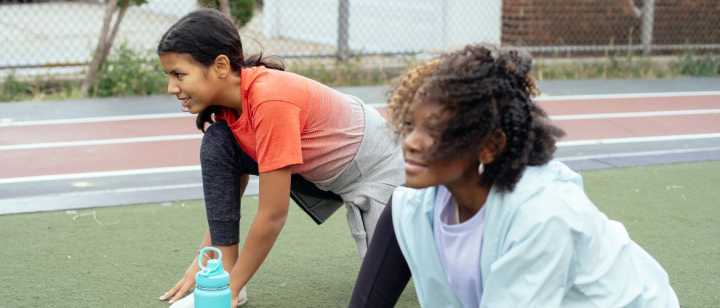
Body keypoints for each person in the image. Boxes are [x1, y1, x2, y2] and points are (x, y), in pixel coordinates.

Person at [349, 44, 679, 307]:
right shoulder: (410, 208)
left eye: (434, 131)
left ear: (490, 145)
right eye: (410, 126)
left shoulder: (542, 214)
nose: (411, 143)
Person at [154, 9, 404, 307]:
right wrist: (210, 260)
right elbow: (229, 189)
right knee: (218, 143)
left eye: (179, 74)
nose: (171, 87)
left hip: (377, 168)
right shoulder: (228, 105)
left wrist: (229, 291)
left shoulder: (270, 100)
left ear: (221, 66)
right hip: (321, 171)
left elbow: (273, 214)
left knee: (392, 276)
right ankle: (227, 271)